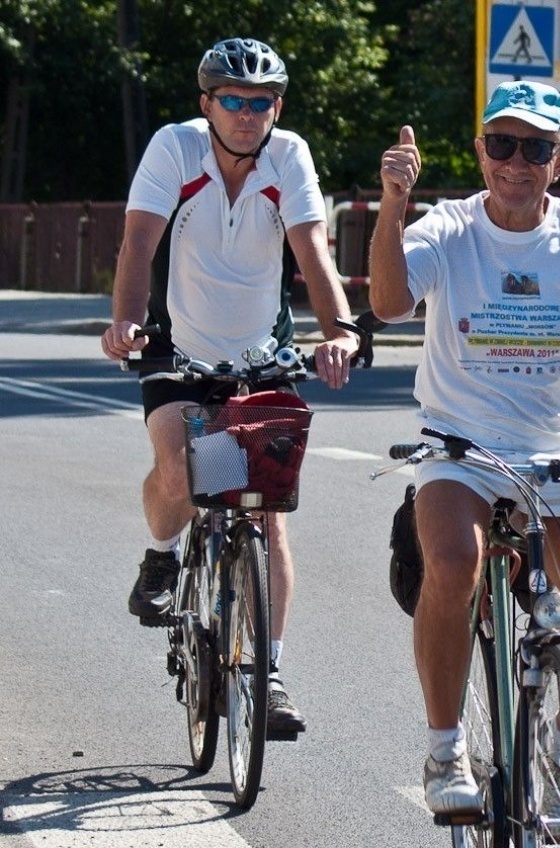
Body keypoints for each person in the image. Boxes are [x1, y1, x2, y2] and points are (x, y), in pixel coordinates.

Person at [369, 80, 560, 817]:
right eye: (501, 144)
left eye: (533, 148)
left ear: (557, 162)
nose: (515, 161)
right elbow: (386, 302)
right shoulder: (448, 226)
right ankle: (443, 751)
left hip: (559, 453)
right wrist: (391, 207)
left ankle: (553, 745)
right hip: (460, 449)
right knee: (453, 564)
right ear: (480, 152)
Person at [101, 37, 359, 735]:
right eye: (235, 101)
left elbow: (312, 250)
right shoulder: (173, 150)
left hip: (261, 350)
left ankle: (267, 670)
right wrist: (125, 322)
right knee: (181, 474)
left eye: (263, 102)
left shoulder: (287, 156)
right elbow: (138, 246)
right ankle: (160, 557)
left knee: (266, 510)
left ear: (277, 106)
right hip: (174, 344)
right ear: (206, 104)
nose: (249, 114)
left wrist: (338, 331)